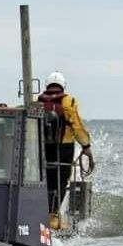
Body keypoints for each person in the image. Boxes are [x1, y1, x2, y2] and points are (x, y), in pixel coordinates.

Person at [38, 71, 93, 212]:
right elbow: (77, 126)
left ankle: (41, 209)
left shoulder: (37, 101)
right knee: (61, 182)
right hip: (64, 149)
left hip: (41, 148)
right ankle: (54, 212)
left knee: (44, 179)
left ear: (47, 85)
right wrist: (86, 146)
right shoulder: (69, 101)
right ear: (63, 85)